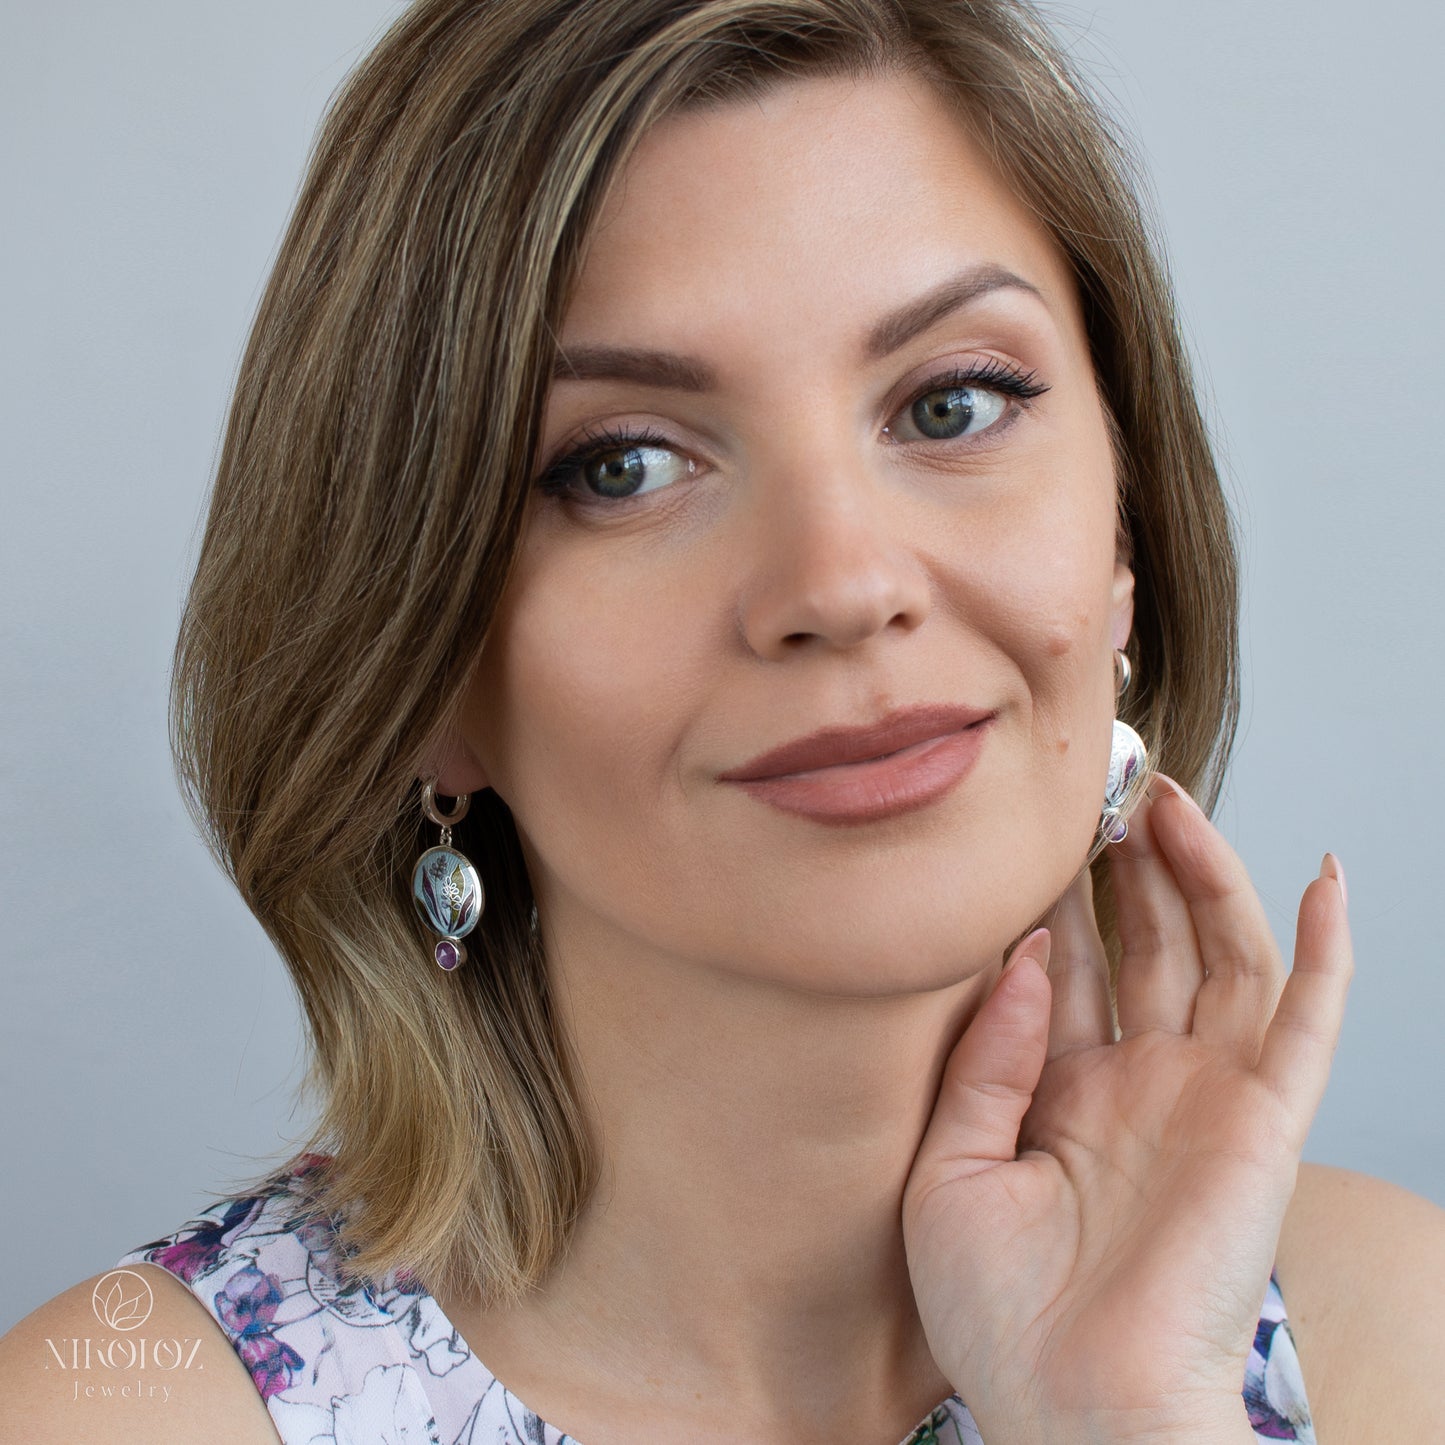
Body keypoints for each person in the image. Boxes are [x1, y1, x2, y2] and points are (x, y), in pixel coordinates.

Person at [3, 0, 1442, 1439]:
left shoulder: (1390, 1335)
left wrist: (1131, 1415)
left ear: (1121, 540)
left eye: (950, 403)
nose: (843, 581)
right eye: (621, 463)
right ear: (420, 670)